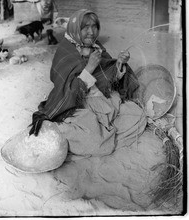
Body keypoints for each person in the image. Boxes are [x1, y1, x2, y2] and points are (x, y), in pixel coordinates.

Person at [29, 9, 147, 156]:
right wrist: (89, 68)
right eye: (85, 27)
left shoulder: (96, 48)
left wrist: (119, 65)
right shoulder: (65, 52)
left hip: (103, 101)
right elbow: (67, 91)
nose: (91, 32)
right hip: (78, 105)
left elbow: (107, 79)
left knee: (138, 115)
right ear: (75, 29)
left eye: (94, 26)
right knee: (96, 143)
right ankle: (63, 129)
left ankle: (106, 131)